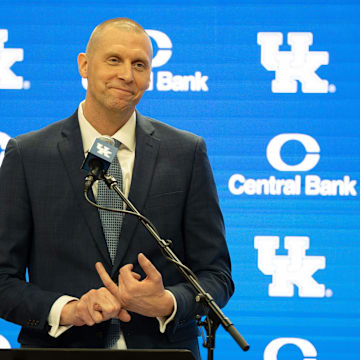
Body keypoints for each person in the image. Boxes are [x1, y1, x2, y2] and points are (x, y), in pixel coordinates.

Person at [0, 18, 234, 358]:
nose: (127, 75)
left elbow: (215, 275)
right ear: (84, 64)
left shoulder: (186, 152)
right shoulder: (28, 154)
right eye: (114, 60)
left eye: (139, 64)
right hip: (60, 351)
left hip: (162, 351)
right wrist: (68, 310)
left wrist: (166, 302)